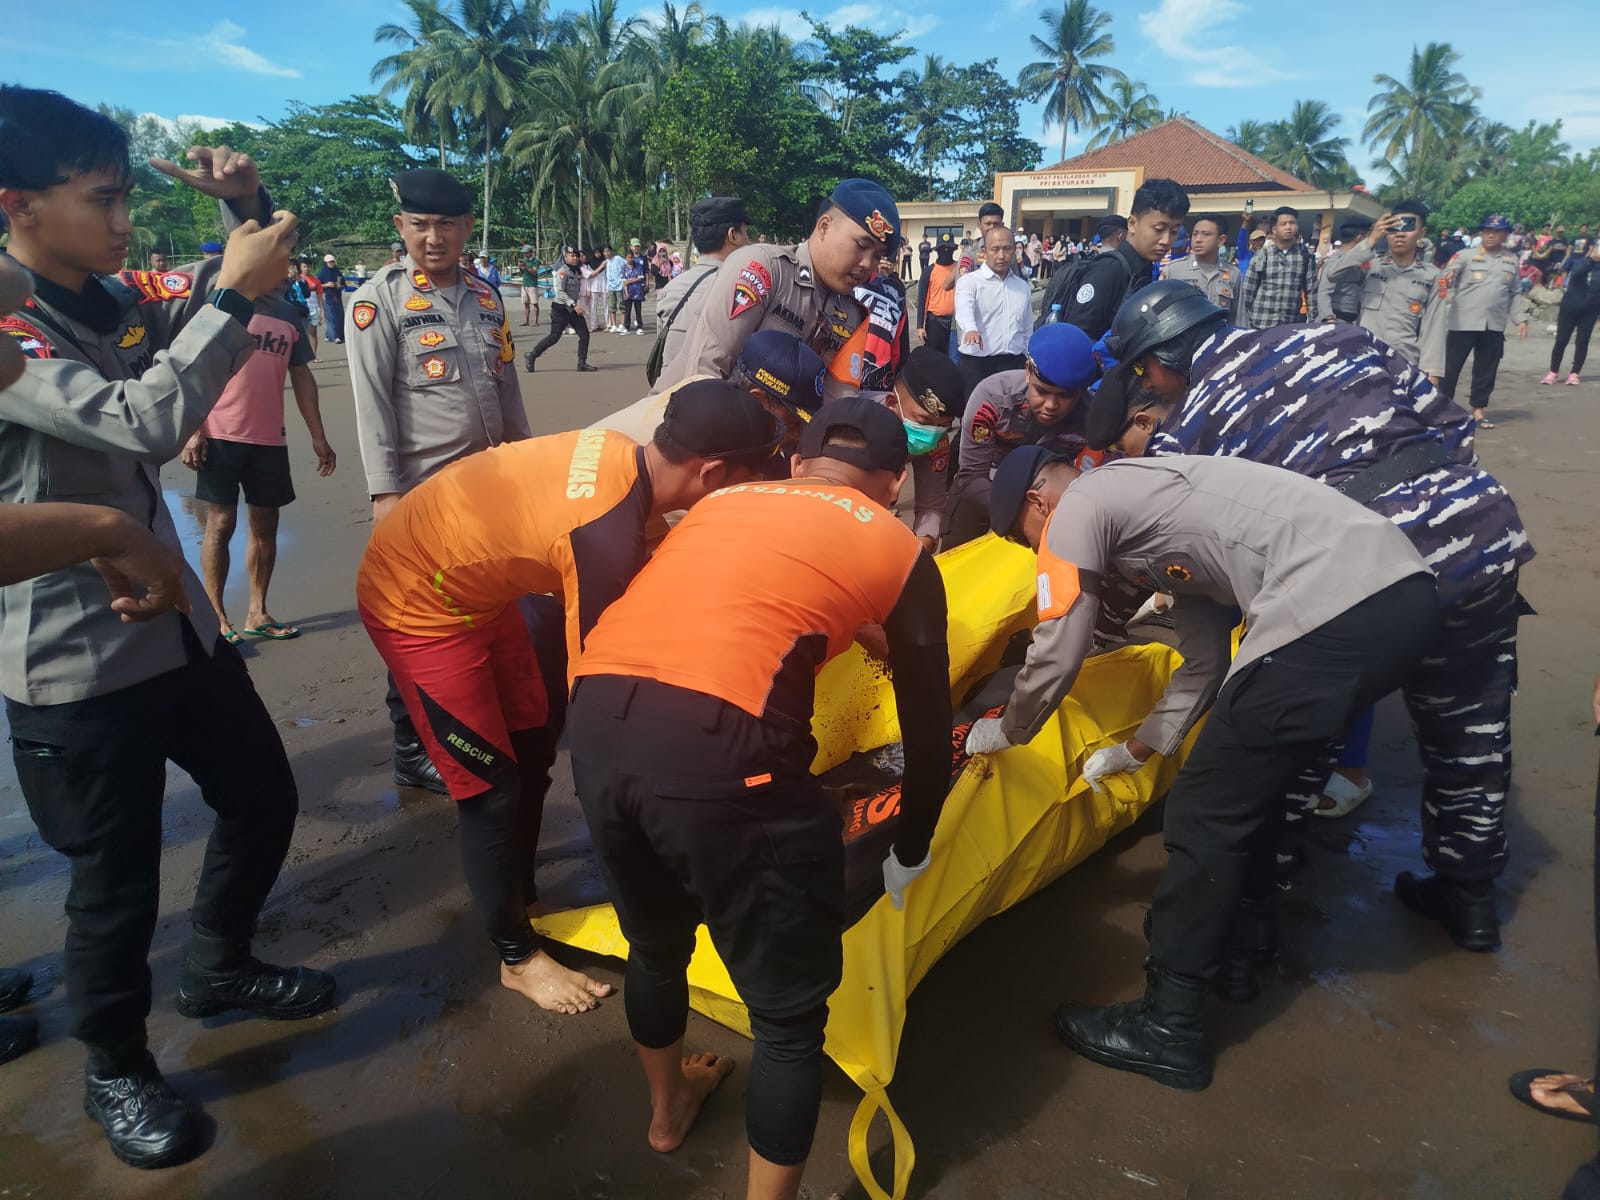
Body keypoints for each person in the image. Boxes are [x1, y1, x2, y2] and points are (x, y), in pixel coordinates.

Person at [0, 86, 335, 1168]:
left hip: (176, 627)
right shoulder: (9, 324)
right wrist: (232, 294)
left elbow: (228, 290)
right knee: (115, 886)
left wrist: (247, 203)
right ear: (18, 205)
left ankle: (220, 963)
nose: (125, 220)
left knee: (263, 794)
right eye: (100, 200)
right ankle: (116, 1067)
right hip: (74, 659)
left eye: (126, 198)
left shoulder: (104, 298)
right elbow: (146, 419)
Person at [568, 397, 953, 1200]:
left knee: (656, 948)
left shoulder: (722, 502)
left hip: (599, 720)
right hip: (720, 747)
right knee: (786, 1021)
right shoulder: (896, 544)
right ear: (892, 484)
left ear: (799, 462)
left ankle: (668, 1110)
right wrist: (913, 846)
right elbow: (927, 724)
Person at [1086, 277, 1537, 951]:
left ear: (1159, 361)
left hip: (1360, 581)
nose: (1151, 387)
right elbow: (1450, 428)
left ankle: (1255, 918)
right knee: (1471, 731)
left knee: (1291, 746)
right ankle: (1469, 899)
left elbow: (1193, 561)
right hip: (1478, 540)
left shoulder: (1185, 432)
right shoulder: (1341, 335)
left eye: (1145, 374)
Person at [970, 444, 1436, 1091]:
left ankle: (1169, 1027)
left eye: (1027, 538)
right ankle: (1243, 951)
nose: (1036, 550)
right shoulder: (1155, 516)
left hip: (1331, 605)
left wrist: (1009, 727)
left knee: (1203, 811)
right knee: (1255, 791)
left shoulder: (1077, 505)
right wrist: (1137, 749)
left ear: (1037, 502)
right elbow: (1206, 663)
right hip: (1400, 599)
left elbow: (1060, 644)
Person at [359, 381, 779, 1014]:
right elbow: (598, 695)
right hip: (416, 602)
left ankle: (520, 894)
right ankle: (516, 958)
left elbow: (661, 568)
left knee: (532, 745)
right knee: (490, 788)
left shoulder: (623, 455)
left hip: (477, 586)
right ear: (712, 472)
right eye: (745, 479)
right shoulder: (602, 534)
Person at [348, 167, 533, 793]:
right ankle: (411, 745)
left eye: (446, 225)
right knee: (419, 621)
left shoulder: (487, 297)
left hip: (487, 488)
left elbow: (507, 389)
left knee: (486, 606)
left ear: (466, 227)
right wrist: (384, 493)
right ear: (400, 226)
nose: (434, 237)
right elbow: (371, 403)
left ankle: (475, 722)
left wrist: (526, 466)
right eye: (421, 225)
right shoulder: (378, 302)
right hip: (422, 496)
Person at [180, 282, 336, 644]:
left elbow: (301, 374)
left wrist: (318, 435)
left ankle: (257, 612)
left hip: (269, 439)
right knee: (221, 523)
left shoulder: (287, 313)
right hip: (219, 434)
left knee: (266, 526)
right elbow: (192, 368)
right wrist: (193, 430)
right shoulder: (219, 304)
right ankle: (218, 618)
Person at [649, 178, 902, 402]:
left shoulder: (850, 313)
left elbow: (835, 399)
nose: (867, 264)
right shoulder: (764, 270)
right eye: (861, 245)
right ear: (824, 226)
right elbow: (705, 373)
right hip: (679, 426)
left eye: (877, 256)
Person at [946, 322, 1099, 545]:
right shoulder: (991, 399)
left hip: (1045, 500)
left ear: (1082, 391)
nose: (1051, 405)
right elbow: (971, 478)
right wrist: (1020, 514)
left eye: (1065, 396)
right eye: (1042, 391)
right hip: (985, 486)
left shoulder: (1092, 416)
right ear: (1028, 371)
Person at [1038, 179, 1191, 340]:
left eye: (1174, 231)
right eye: (1158, 229)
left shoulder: (1143, 269)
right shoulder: (1108, 270)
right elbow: (1078, 337)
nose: (1166, 240)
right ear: (1132, 224)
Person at [1327, 200, 1447, 380]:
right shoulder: (1371, 266)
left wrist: (1433, 374)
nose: (1400, 234)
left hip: (1404, 363)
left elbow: (1434, 329)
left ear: (1422, 233)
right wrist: (1371, 240)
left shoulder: (1432, 276)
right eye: (1394, 228)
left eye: (1408, 227)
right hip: (1365, 358)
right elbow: (1333, 274)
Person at [1439, 214, 1532, 427]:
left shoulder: (1511, 260)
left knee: (1486, 370)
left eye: (1496, 231)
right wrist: (1448, 278)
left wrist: (1521, 319)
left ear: (1505, 235)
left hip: (1494, 324)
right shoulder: (1464, 255)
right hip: (1463, 322)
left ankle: (1478, 410)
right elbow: (1446, 276)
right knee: (1450, 369)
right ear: (1482, 233)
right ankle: (1443, 410)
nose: (1491, 235)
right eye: (1487, 230)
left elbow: (1514, 293)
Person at [652, 197, 749, 379]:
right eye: (745, 233)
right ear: (733, 236)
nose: (748, 240)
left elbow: (665, 352)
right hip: (713, 392)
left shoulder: (671, 288)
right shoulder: (741, 289)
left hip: (668, 391)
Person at [954, 224, 1032, 403]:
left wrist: (1030, 357)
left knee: (1012, 417)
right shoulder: (970, 282)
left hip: (1013, 365)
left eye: (1007, 249)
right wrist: (971, 329)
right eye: (995, 249)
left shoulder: (1022, 287)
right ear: (984, 252)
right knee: (977, 416)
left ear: (1014, 250)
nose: (1001, 255)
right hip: (977, 365)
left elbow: (1027, 329)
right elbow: (964, 308)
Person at [1241, 205, 1318, 327]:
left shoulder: (1306, 256)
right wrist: (1243, 323)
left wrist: (1314, 324)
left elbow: (1312, 293)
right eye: (1283, 224)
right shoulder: (1261, 256)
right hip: (1260, 324)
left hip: (1290, 326)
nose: (1288, 227)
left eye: (1292, 223)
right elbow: (1248, 292)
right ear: (1274, 229)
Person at [525, 245, 597, 372]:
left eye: (576, 256)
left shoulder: (576, 271)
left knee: (584, 334)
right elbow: (560, 292)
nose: (575, 258)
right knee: (554, 337)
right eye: (572, 256)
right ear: (565, 257)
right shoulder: (562, 272)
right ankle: (532, 355)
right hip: (561, 309)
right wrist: (574, 305)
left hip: (572, 310)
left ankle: (582, 363)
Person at [1160, 212, 1242, 322]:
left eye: (1206, 234)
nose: (1198, 239)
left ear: (1221, 240)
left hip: (1220, 332)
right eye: (1195, 234)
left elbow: (1238, 317)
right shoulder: (1173, 270)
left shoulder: (1233, 274)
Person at [1544, 238, 1600, 385]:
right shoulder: (1579, 261)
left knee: (1582, 342)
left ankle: (1574, 374)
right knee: (1561, 340)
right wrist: (1591, 260)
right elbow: (1577, 274)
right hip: (1569, 307)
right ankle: (1553, 372)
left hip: (1590, 311)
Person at [1316, 219, 1371, 323]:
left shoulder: (1356, 260)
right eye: (1367, 240)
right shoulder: (1335, 261)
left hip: (1352, 319)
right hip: (1337, 318)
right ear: (1359, 239)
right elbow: (1323, 292)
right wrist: (1329, 318)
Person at [915, 233, 958, 353]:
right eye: (943, 249)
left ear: (954, 250)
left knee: (953, 357)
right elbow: (922, 299)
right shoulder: (929, 270)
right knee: (934, 357)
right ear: (937, 250)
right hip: (935, 322)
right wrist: (920, 326)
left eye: (949, 249)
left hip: (954, 322)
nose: (946, 251)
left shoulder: (959, 269)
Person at [317, 253, 348, 343]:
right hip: (327, 297)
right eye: (329, 262)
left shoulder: (337, 272)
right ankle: (335, 336)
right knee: (331, 318)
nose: (331, 263)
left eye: (332, 261)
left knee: (339, 316)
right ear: (326, 263)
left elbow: (343, 284)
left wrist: (340, 286)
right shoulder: (322, 272)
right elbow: (317, 285)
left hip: (337, 297)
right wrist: (327, 285)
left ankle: (331, 334)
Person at [622, 245, 648, 335]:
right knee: (627, 311)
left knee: (638, 310)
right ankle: (626, 327)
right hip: (628, 291)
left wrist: (630, 281)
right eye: (628, 257)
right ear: (626, 258)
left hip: (637, 291)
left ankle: (639, 327)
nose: (630, 259)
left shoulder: (638, 266)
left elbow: (640, 277)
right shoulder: (624, 267)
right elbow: (624, 282)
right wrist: (626, 292)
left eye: (631, 257)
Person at [518, 244, 542, 326]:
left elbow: (534, 272)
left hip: (532, 284)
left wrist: (526, 266)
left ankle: (536, 321)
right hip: (524, 284)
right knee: (526, 303)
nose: (525, 254)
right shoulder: (524, 261)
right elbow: (520, 274)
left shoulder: (535, 261)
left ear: (531, 252)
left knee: (534, 303)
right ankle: (526, 321)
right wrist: (520, 267)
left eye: (526, 253)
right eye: (524, 253)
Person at [604, 243, 626, 333]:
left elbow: (626, 264)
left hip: (620, 285)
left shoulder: (618, 259)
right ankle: (613, 325)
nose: (607, 253)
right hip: (610, 287)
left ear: (611, 251)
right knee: (612, 306)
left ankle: (622, 324)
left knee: (622, 305)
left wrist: (623, 278)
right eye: (605, 252)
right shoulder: (606, 262)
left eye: (608, 251)